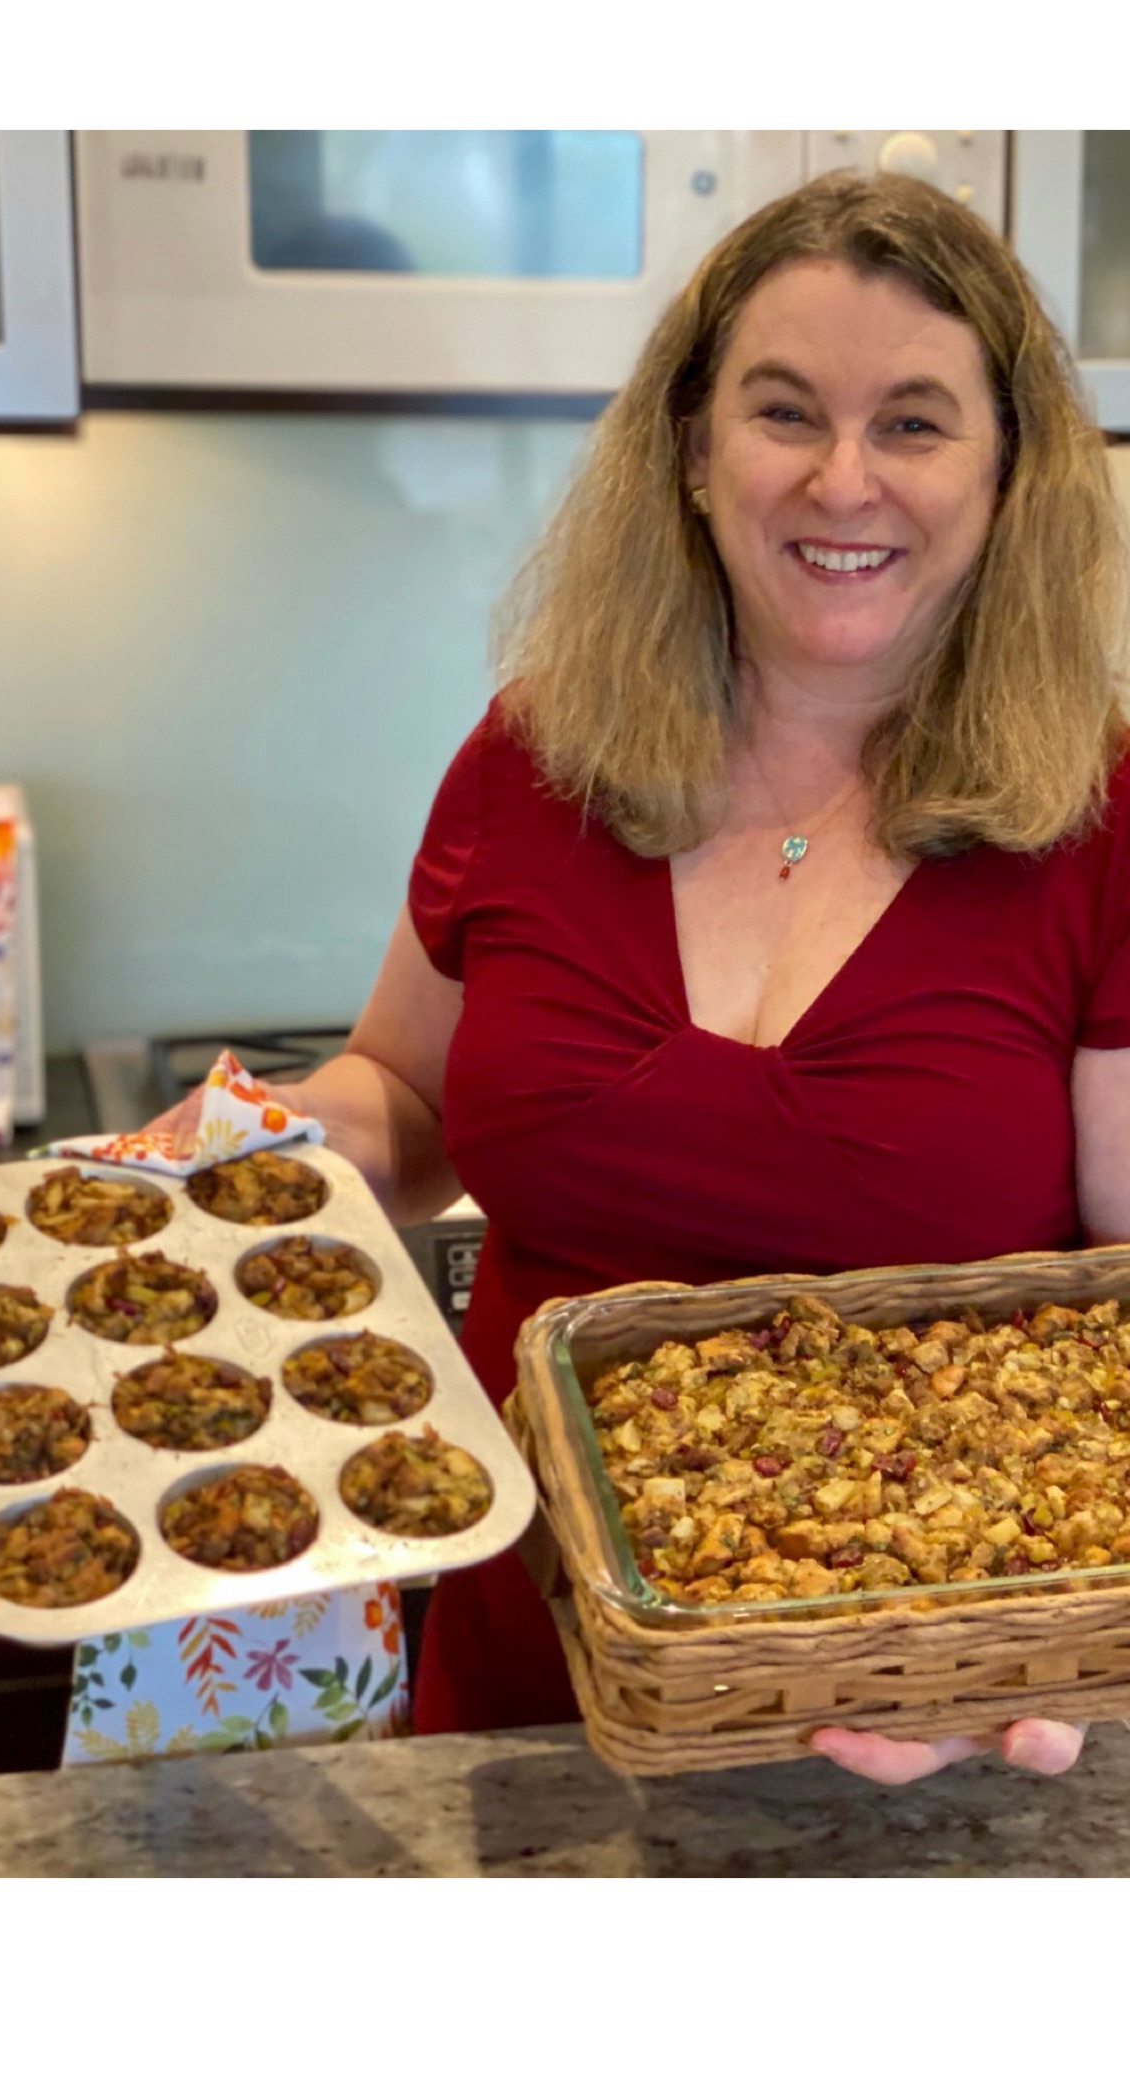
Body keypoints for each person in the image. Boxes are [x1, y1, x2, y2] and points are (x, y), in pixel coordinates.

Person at [159, 169, 1130, 1785]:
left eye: (913, 422)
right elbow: (406, 1100)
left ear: (1010, 469)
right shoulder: (536, 756)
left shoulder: (1100, 821)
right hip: (521, 1653)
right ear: (691, 451)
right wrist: (264, 1152)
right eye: (782, 411)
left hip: (918, 1697)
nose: (842, 478)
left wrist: (1047, 1647)